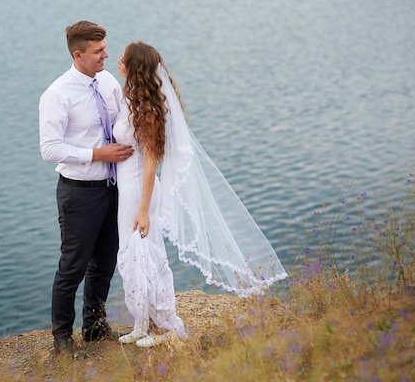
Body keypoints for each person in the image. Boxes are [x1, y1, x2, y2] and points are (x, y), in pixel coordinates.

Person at [113, 42, 288, 348]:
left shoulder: (149, 110)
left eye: (123, 58)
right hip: (125, 188)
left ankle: (166, 326)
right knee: (131, 257)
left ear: (134, 67)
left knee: (148, 255)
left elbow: (152, 163)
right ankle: (142, 323)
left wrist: (143, 209)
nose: (117, 60)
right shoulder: (130, 100)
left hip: (140, 191)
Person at [39, 21, 134, 358]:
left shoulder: (107, 81)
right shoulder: (57, 94)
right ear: (77, 55)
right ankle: (62, 338)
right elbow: (49, 149)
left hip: (113, 188)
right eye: (98, 51)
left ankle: (94, 326)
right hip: (79, 192)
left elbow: (126, 118)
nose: (106, 55)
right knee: (73, 265)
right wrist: (97, 154)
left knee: (105, 260)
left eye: (105, 48)